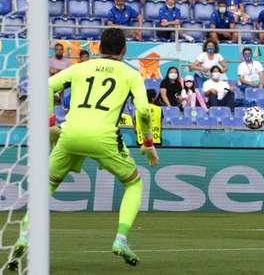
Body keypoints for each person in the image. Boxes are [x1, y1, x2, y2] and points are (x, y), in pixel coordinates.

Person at [10, 29, 159, 268]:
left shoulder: (81, 67)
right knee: (134, 183)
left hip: (70, 134)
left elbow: (47, 85)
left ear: (99, 48)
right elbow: (142, 111)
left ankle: (25, 236)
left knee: (46, 186)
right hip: (104, 138)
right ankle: (120, 240)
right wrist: (148, 144)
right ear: (124, 50)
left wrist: (50, 124)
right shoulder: (132, 74)